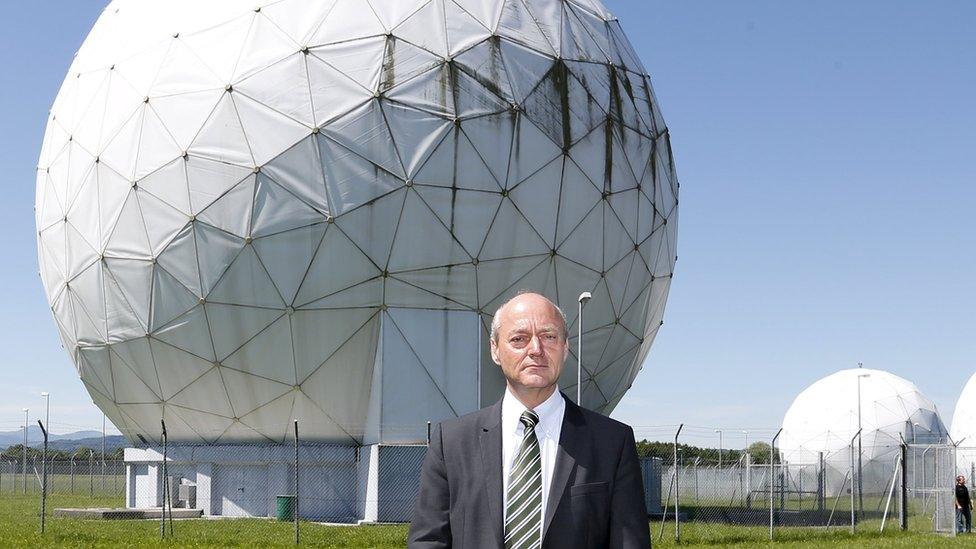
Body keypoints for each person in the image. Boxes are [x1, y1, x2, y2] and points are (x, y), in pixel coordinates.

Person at [408, 292, 649, 548]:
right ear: (495, 350)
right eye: (518, 339)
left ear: (566, 347)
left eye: (549, 337)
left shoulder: (612, 443)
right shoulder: (452, 442)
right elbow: (429, 540)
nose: (536, 350)